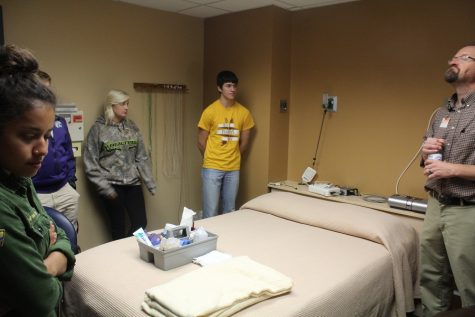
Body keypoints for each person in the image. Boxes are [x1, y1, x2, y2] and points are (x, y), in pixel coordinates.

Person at [0, 44, 76, 316]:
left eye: (46, 136)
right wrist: (54, 264)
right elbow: (43, 296)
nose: (42, 149)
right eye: (29, 136)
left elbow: (61, 235)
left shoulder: (19, 176)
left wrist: (50, 257)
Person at [420, 44, 475, 316]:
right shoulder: (442, 112)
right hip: (435, 204)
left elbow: (449, 168)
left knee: (469, 286)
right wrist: (426, 150)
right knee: (431, 277)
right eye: (453, 56)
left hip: (467, 210)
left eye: (463, 57)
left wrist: (452, 170)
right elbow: (426, 160)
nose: (454, 61)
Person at [83, 89, 156, 240]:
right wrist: (105, 188)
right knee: (118, 227)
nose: (127, 107)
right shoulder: (98, 129)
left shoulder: (131, 127)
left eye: (127, 103)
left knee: (141, 223)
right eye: (123, 104)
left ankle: (133, 254)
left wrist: (149, 182)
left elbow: (142, 156)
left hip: (133, 183)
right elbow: (90, 163)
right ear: (112, 105)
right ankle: (120, 260)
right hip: (111, 186)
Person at [197, 70, 254, 219]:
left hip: (233, 168)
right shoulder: (210, 111)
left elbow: (245, 142)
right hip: (212, 167)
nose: (233, 89)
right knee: (211, 211)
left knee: (230, 211)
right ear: (219, 88)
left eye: (234, 86)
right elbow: (201, 141)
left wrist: (233, 156)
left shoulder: (244, 113)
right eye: (228, 86)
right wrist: (211, 157)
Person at [32, 71, 80, 231]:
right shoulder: (24, 124)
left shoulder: (59, 122)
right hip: (37, 194)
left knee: (70, 235)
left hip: (63, 190)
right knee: (45, 240)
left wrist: (71, 182)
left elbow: (68, 153)